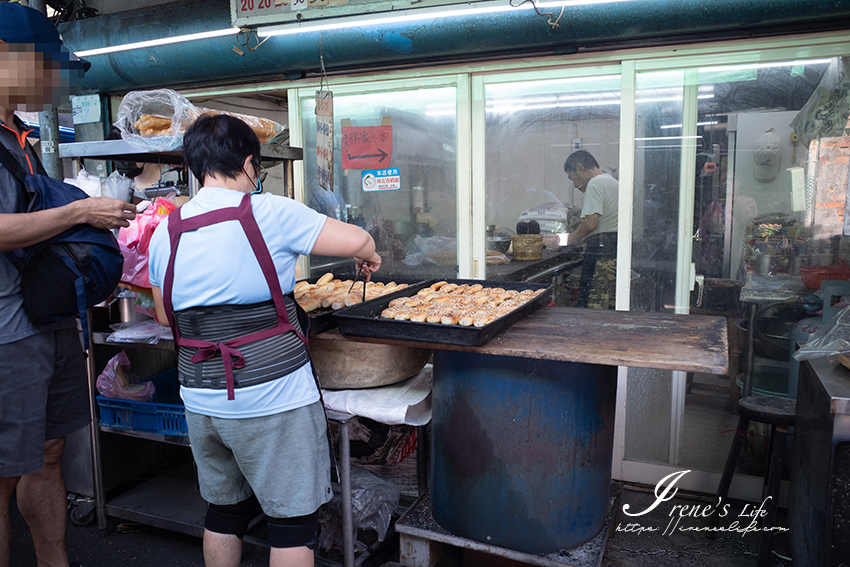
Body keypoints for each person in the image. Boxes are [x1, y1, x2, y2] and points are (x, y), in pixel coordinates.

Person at [147, 113, 382, 567]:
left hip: (200, 397)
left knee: (224, 512)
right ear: (250, 163)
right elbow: (357, 239)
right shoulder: (269, 211)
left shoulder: (167, 231)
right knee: (292, 525)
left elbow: (163, 313)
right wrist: (370, 255)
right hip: (270, 397)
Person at [0, 5, 137, 567]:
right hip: (6, 334)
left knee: (49, 453)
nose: (48, 81)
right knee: (2, 474)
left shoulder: (20, 136)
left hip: (48, 318)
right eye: (41, 67)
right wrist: (81, 211)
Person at [544, 150, 619, 309]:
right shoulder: (612, 182)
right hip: (613, 252)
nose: (575, 185)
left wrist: (564, 240)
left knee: (594, 307)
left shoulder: (595, 183)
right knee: (608, 306)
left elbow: (590, 224)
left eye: (573, 178)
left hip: (603, 257)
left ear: (580, 168)